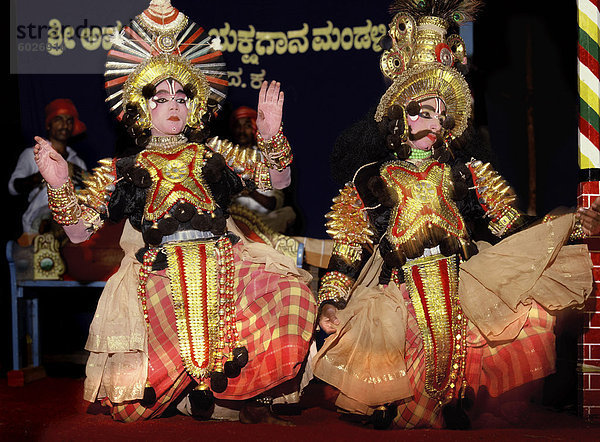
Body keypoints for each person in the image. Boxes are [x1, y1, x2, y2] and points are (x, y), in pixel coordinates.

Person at [312, 0, 599, 430]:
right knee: (387, 333)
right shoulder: (373, 177)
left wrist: (565, 227)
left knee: (514, 317)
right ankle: (387, 400)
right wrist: (332, 300)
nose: (432, 121)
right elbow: (352, 243)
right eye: (422, 110)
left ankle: (454, 398)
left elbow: (511, 228)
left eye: (440, 114)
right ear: (400, 116)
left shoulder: (464, 173)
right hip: (401, 288)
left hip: (460, 280)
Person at [33, 0, 315, 425]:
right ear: (142, 108)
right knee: (133, 408)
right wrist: (59, 185)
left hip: (226, 263)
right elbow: (76, 233)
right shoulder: (121, 169)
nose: (174, 104)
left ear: (195, 105)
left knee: (290, 293)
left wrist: (272, 138)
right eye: (161, 96)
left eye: (182, 96)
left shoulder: (212, 154)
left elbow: (275, 182)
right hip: (159, 276)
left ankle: (251, 390)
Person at [9, 98, 87, 246]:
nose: (65, 125)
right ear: (49, 125)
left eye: (69, 120)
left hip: (71, 224)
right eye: (59, 119)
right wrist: (46, 175)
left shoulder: (78, 162)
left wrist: (80, 174)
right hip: (38, 225)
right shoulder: (33, 154)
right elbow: (13, 188)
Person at [228, 105, 298, 234]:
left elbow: (273, 204)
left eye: (247, 126)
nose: (241, 130)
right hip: (231, 217)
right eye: (238, 126)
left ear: (255, 128)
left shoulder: (267, 159)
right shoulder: (226, 155)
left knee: (288, 213)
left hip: (261, 219)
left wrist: (249, 190)